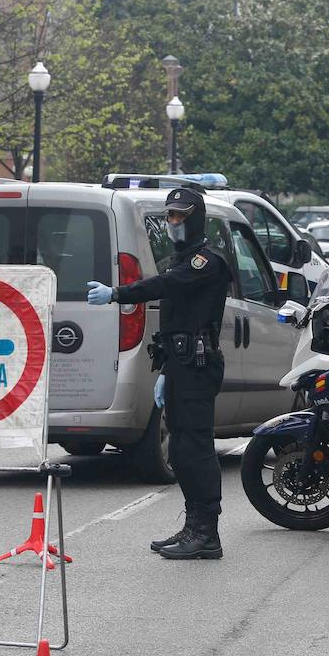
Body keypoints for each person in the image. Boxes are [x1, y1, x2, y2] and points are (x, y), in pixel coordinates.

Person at [85, 187, 232, 560]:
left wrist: (117, 293)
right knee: (180, 451)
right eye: (169, 216)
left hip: (198, 367)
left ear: (195, 219)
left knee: (195, 450)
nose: (172, 223)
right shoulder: (181, 260)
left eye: (179, 217)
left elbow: (163, 286)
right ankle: (193, 525)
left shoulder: (205, 262)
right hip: (181, 364)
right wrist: (166, 368)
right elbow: (176, 321)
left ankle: (207, 534)